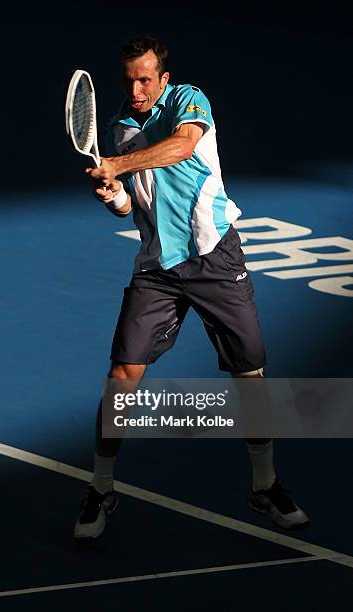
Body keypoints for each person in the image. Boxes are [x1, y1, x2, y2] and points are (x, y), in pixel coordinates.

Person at [74, 35, 309, 540]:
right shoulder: (120, 127)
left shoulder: (188, 100)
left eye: (145, 78)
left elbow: (182, 146)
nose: (136, 89)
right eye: (128, 79)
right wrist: (114, 194)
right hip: (158, 265)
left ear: (163, 78)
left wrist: (118, 165)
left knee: (250, 373)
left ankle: (264, 485)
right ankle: (100, 488)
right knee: (122, 376)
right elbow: (134, 207)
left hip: (214, 256)